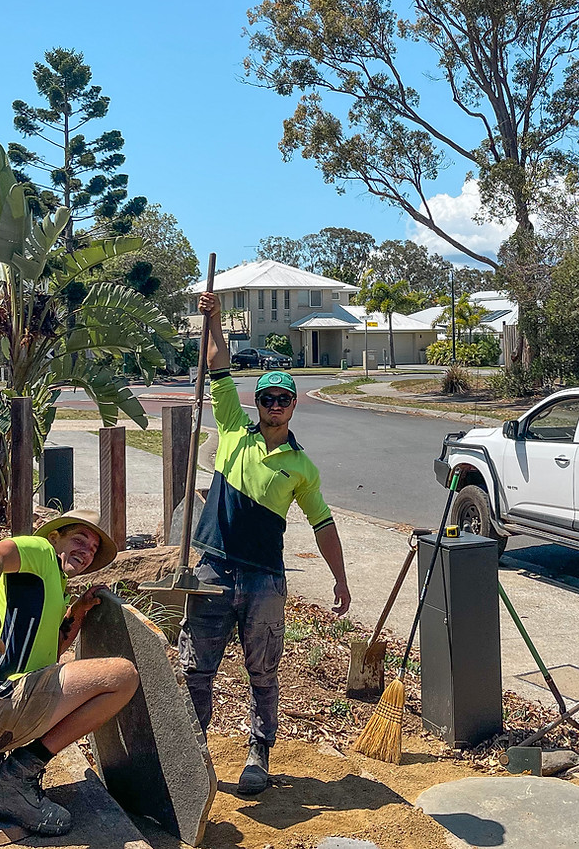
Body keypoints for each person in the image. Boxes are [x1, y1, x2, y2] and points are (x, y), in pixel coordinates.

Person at [180, 291, 352, 796]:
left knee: (264, 674)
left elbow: (323, 525)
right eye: (268, 398)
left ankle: (259, 753)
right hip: (212, 569)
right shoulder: (233, 426)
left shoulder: (302, 467)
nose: (274, 405)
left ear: (294, 406)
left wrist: (339, 577)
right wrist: (211, 322)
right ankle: (194, 754)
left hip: (264, 580)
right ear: (258, 403)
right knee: (197, 670)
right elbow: (218, 368)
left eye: (283, 399)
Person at [0, 510, 138, 835]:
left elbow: (47, 656)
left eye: (93, 549)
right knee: (122, 678)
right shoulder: (39, 553)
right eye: (79, 540)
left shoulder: (52, 585)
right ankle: (16, 778)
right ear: (54, 538)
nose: (86, 551)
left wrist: (77, 612)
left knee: (45, 676)